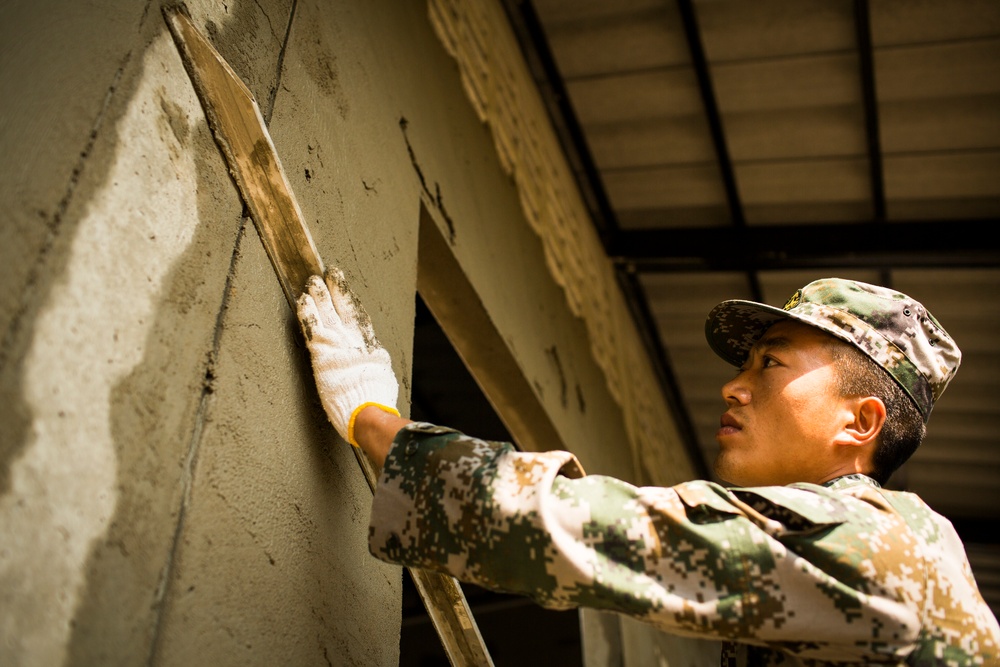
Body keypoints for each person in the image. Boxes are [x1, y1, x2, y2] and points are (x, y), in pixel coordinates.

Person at [297, 272, 1000, 665]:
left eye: (771, 362)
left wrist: (372, 419)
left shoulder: (873, 541)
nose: (733, 385)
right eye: (743, 364)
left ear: (861, 422)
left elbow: (584, 531)